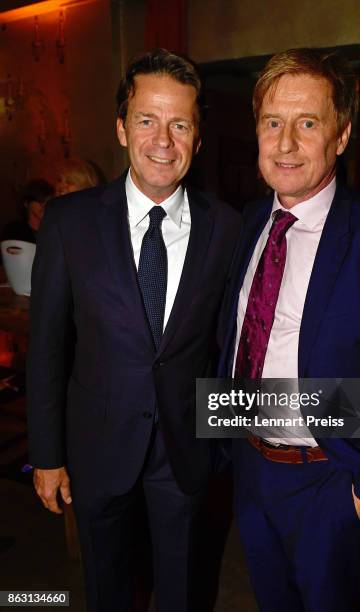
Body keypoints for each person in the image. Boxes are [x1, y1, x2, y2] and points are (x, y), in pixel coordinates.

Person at [218, 48, 360, 612]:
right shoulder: (244, 224)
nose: (286, 143)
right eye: (273, 122)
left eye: (307, 123)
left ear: (341, 136)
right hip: (251, 469)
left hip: (330, 483)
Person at [27, 48, 240, 612]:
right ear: (122, 128)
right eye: (147, 120)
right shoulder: (68, 222)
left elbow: (227, 344)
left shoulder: (228, 228)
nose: (162, 140)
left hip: (185, 452)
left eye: (180, 124)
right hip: (97, 450)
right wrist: (46, 455)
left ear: (197, 137)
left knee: (183, 592)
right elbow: (47, 348)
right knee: (107, 590)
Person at [1, 178, 54, 243]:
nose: (44, 205)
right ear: (26, 203)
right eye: (40, 201)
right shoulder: (13, 230)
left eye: (48, 202)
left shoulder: (53, 232)